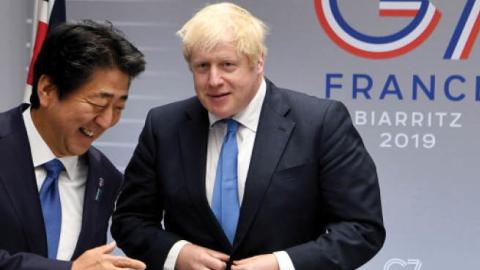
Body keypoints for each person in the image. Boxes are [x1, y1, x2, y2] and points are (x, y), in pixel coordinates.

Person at [111, 2, 385, 270]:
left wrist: (282, 264)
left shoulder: (320, 122)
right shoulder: (164, 126)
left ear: (258, 62)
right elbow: (130, 219)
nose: (214, 80)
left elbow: (361, 228)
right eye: (202, 66)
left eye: (228, 64)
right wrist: (177, 254)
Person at [0, 21, 147, 270]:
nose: (107, 121)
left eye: (119, 108)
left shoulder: (106, 178)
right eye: (99, 103)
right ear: (47, 89)